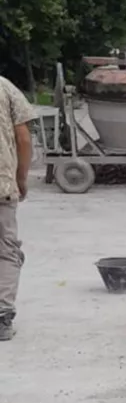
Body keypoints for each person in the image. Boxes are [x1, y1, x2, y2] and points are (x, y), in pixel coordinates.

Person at [0, 77, 35, 341]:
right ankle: (2, 317)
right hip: (1, 185)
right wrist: (21, 177)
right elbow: (23, 137)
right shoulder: (5, 87)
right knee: (6, 252)